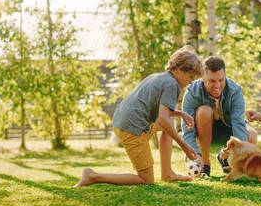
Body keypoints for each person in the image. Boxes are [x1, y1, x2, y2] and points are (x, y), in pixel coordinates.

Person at [73, 45, 204, 187]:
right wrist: (184, 145)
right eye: (191, 77)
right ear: (179, 70)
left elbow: (157, 110)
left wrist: (180, 113)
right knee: (146, 180)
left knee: (169, 124)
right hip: (132, 127)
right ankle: (93, 176)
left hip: (123, 121)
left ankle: (167, 173)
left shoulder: (159, 77)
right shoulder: (172, 85)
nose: (191, 81)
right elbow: (163, 119)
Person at [181, 56, 257, 176]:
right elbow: (187, 130)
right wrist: (195, 155)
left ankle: (229, 162)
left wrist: (235, 152)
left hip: (229, 130)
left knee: (252, 135)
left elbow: (239, 123)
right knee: (204, 111)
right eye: (212, 81)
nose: (217, 85)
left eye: (221, 80)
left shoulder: (235, 90)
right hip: (203, 132)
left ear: (225, 76)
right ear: (203, 78)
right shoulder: (192, 92)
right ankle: (205, 165)